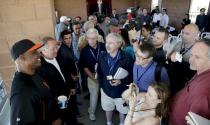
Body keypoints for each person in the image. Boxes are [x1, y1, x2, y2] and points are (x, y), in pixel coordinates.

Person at [10, 39, 58, 125]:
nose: (39, 54)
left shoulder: (34, 73)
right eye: (33, 52)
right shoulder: (22, 92)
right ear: (22, 58)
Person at [37, 37, 81, 125]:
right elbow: (44, 90)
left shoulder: (58, 56)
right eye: (54, 48)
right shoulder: (40, 68)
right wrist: (55, 98)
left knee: (72, 117)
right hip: (57, 102)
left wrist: (72, 86)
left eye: (57, 46)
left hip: (69, 94)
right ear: (44, 51)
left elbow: (67, 73)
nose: (57, 50)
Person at [170, 38, 210, 125]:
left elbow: (194, 121)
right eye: (191, 55)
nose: (191, 60)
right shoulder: (201, 70)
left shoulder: (203, 91)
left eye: (197, 57)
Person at [98, 33, 133, 125]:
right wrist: (102, 85)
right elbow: (100, 73)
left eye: (111, 43)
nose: (107, 45)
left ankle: (122, 123)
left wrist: (121, 81)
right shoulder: (102, 56)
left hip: (121, 91)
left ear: (118, 44)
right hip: (106, 90)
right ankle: (109, 123)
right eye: (106, 43)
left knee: (122, 110)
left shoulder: (127, 58)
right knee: (107, 108)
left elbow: (131, 76)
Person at [79, 28, 106, 121]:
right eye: (90, 38)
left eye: (94, 38)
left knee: (106, 94)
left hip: (104, 75)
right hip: (92, 75)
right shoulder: (84, 51)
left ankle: (108, 110)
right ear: (87, 38)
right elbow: (84, 67)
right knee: (94, 95)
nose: (92, 40)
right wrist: (93, 78)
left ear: (97, 37)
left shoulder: (103, 46)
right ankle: (91, 112)